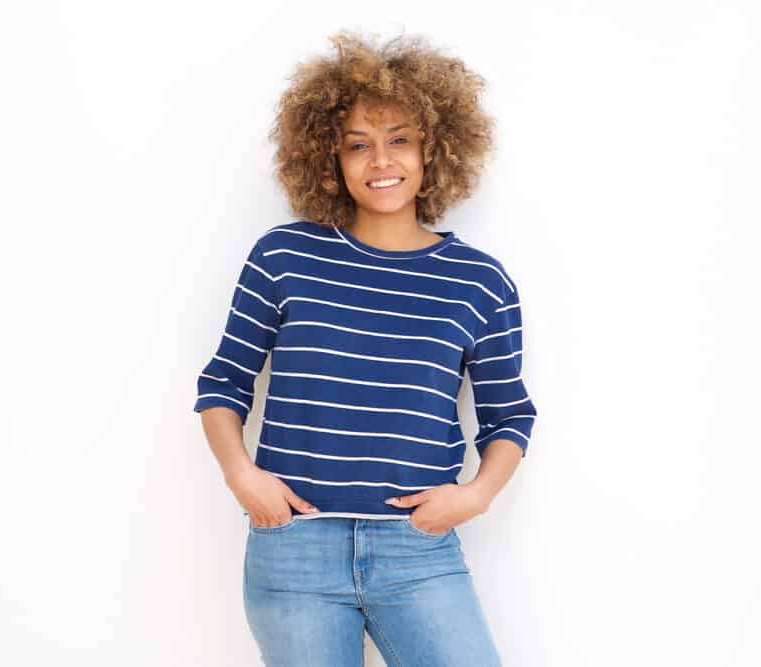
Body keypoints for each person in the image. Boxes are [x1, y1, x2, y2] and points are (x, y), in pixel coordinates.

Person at [193, 29, 537, 666]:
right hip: (294, 549)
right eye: (359, 146)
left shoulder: (480, 283)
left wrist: (476, 494)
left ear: (434, 148)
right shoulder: (284, 257)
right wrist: (242, 475)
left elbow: (510, 415)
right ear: (330, 159)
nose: (381, 161)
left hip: (418, 552)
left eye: (399, 140)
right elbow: (222, 384)